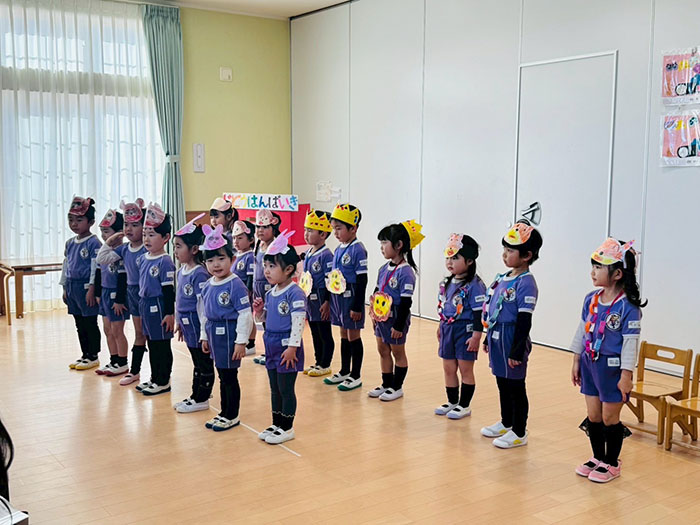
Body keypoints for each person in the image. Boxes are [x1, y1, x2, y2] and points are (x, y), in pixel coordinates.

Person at [571, 238, 645, 483]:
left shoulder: (628, 307)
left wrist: (626, 375)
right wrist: (576, 359)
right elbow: (582, 330)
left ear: (617, 274)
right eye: (593, 266)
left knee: (609, 417)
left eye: (598, 267)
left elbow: (630, 344)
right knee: (593, 415)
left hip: (612, 369)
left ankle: (612, 463)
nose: (593, 272)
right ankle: (597, 457)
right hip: (589, 363)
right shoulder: (590, 299)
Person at [480, 221, 543, 449]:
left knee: (516, 385)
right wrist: (487, 337)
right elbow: (493, 310)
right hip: (497, 333)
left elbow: (524, 320)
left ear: (526, 255)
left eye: (510, 251)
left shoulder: (526, 283)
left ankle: (519, 431)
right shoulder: (503, 277)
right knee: (502, 382)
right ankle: (506, 422)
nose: (505, 255)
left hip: (512, 336)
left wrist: (516, 350)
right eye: (504, 249)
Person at [199, 225, 254, 431]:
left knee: (229, 377)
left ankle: (232, 414)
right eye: (210, 260)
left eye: (221, 258)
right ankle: (224, 412)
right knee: (222, 375)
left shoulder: (235, 284)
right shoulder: (208, 284)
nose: (216, 264)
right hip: (214, 336)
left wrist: (241, 342)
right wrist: (204, 336)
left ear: (232, 259)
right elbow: (204, 313)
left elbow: (245, 314)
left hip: (230, 335)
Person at [253, 230, 305, 444]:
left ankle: (287, 427)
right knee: (274, 388)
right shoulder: (270, 292)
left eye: (272, 266)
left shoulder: (295, 292)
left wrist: (292, 347)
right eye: (265, 265)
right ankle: (276, 424)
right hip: (271, 344)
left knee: (285, 388)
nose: (266, 270)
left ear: (289, 269)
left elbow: (298, 322)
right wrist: (259, 312)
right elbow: (266, 319)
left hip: (286, 347)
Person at [367, 221, 424, 402]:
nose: (381, 247)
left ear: (399, 245)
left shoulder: (406, 272)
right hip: (381, 318)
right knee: (382, 350)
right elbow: (377, 292)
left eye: (385, 242)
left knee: (397, 352)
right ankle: (386, 383)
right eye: (381, 243)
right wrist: (374, 314)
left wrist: (398, 326)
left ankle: (397, 387)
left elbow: (406, 302)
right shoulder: (383, 268)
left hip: (396, 318)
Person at [434, 234, 486, 419]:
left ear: (469, 261)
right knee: (448, 368)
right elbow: (444, 306)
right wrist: (440, 326)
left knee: (465, 369)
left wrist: (476, 336)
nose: (450, 262)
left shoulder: (475, 285)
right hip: (448, 328)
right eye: (448, 257)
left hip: (466, 330)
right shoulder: (446, 283)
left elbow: (479, 314)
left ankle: (464, 405)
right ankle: (452, 401)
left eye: (455, 258)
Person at [323, 203, 368, 392]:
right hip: (338, 298)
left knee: (353, 335)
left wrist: (357, 306)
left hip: (351, 298)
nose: (336, 232)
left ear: (353, 228)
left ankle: (355, 375)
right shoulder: (339, 248)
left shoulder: (358, 249)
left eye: (339, 228)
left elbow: (362, 280)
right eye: (334, 228)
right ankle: (344, 370)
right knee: (343, 334)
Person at [172, 214, 212, 413]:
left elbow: (203, 307)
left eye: (179, 246)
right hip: (187, 324)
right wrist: (179, 322)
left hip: (198, 325)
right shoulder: (181, 271)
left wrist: (204, 333)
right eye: (175, 246)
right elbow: (179, 300)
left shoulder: (199, 273)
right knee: (195, 361)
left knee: (203, 362)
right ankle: (195, 395)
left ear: (194, 249)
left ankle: (202, 398)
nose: (175, 251)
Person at [135, 203, 176, 396]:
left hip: (159, 306)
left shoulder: (164, 260)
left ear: (166, 238)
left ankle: (163, 380)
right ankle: (154, 377)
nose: (146, 239)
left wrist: (169, 313)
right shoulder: (144, 258)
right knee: (151, 343)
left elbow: (168, 290)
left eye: (152, 235)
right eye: (145, 234)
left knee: (162, 345)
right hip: (145, 305)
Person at [62, 196, 102, 371]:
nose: (74, 224)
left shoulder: (94, 242)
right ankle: (85, 354)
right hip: (72, 287)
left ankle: (93, 355)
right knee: (79, 323)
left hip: (86, 288)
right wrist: (64, 287)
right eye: (71, 220)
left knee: (90, 322)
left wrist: (92, 288)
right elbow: (66, 265)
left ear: (90, 222)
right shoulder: (70, 243)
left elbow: (95, 268)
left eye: (79, 220)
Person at [94, 209, 130, 377]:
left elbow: (123, 278)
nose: (103, 235)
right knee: (107, 329)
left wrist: (119, 300)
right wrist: (98, 293)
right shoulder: (104, 251)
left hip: (116, 295)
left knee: (117, 330)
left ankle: (122, 362)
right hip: (105, 293)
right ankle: (114, 359)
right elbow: (99, 272)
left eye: (107, 231)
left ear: (119, 233)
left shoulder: (122, 252)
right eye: (102, 231)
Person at [300, 210, 334, 377]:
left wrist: (327, 301)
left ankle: (325, 363)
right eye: (305, 230)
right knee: (314, 331)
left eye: (310, 230)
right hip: (310, 297)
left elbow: (330, 280)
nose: (306, 234)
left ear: (323, 234)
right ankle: (318, 361)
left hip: (321, 297)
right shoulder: (308, 252)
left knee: (324, 331)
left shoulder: (327, 255)